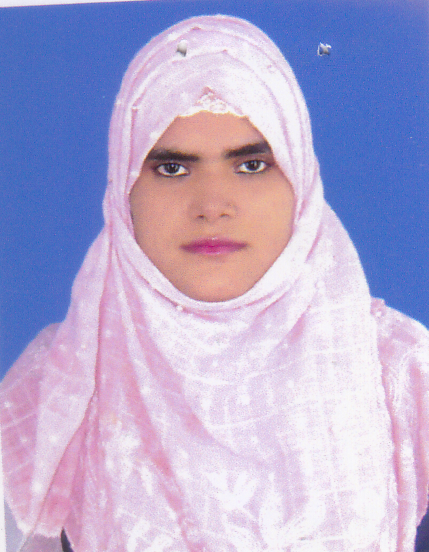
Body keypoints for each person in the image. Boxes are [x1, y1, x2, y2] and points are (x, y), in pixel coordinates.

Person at [1, 14, 428, 552]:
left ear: (301, 182)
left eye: (250, 165)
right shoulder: (54, 388)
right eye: (172, 169)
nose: (211, 205)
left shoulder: (403, 376)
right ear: (122, 192)